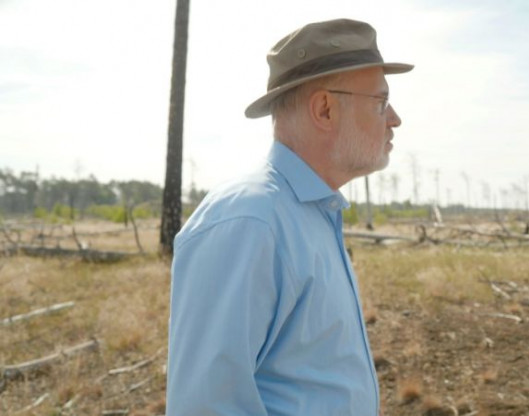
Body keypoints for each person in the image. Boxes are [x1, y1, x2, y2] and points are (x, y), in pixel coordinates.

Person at [165, 19, 412, 415]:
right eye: (381, 102)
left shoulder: (311, 213)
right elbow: (206, 406)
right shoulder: (249, 221)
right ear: (325, 109)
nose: (395, 118)